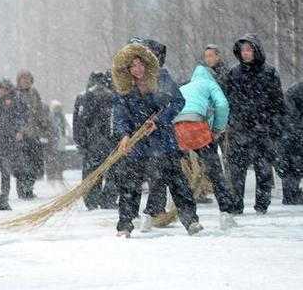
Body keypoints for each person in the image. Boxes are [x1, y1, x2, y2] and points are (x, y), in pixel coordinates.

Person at [112, 43, 202, 237]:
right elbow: (120, 114)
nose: (138, 69)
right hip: (138, 143)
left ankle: (191, 220)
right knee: (130, 184)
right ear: (127, 69)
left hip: (163, 140)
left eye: (140, 64)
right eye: (132, 66)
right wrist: (125, 135)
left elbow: (179, 102)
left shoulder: (161, 77)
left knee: (177, 181)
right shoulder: (124, 88)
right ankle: (125, 225)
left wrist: (159, 120)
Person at [224, 34, 287, 215]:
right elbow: (227, 100)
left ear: (256, 50)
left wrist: (275, 127)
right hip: (240, 128)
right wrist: (230, 121)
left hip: (263, 128)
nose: (246, 53)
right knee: (237, 170)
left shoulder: (269, 73)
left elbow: (278, 103)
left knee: (263, 170)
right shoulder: (234, 73)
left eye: (249, 49)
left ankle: (262, 206)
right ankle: (236, 206)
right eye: (243, 50)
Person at [173, 65, 238, 229]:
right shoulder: (210, 84)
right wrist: (217, 129)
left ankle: (179, 216)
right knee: (215, 171)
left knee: (175, 173)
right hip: (197, 127)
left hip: (177, 128)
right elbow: (222, 105)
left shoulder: (184, 87)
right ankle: (226, 212)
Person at [72, 71, 119, 210]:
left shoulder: (84, 97)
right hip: (108, 141)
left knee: (92, 172)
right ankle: (107, 199)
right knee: (112, 171)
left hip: (92, 142)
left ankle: (91, 200)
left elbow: (78, 121)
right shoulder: (111, 96)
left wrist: (80, 141)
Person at [14, 70, 51, 199]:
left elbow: (40, 111)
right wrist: (19, 130)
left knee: (35, 163)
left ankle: (29, 187)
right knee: (23, 165)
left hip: (34, 134)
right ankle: (23, 190)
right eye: (22, 79)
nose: (25, 81)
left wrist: (44, 124)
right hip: (21, 135)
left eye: (27, 79)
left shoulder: (34, 94)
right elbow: (15, 114)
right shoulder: (15, 95)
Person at [0, 78, 28, 200]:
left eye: (0, 88)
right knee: (4, 168)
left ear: (6, 89)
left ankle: (22, 191)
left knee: (18, 167)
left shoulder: (16, 99)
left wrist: (20, 130)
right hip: (1, 139)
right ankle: (4, 193)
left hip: (14, 138)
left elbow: (22, 115)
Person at [280, 81, 303, 204]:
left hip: (294, 135)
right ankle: (291, 194)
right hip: (295, 136)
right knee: (294, 165)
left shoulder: (294, 91)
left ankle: (291, 194)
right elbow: (289, 116)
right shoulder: (295, 92)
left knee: (293, 166)